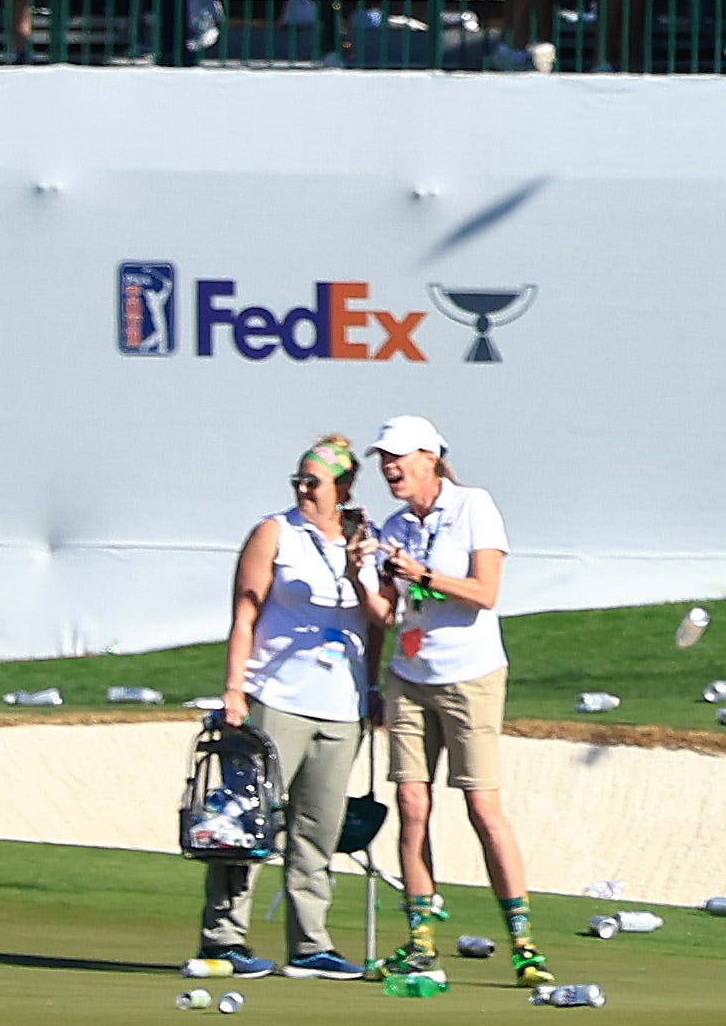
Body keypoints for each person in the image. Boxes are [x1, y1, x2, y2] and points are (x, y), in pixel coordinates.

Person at [198, 431, 386, 981]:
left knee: (317, 829)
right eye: (299, 481)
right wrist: (235, 688)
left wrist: (371, 686)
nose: (305, 490)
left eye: (315, 482)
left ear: (344, 487)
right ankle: (222, 937)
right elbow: (245, 613)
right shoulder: (276, 531)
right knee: (248, 819)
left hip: (341, 704)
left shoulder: (364, 540)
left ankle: (310, 944)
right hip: (277, 698)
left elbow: (374, 625)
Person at [367, 411, 540, 983]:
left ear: (428, 458)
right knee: (412, 805)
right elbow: (387, 614)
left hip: (471, 676)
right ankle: (420, 939)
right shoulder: (393, 527)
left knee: (482, 808)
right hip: (410, 675)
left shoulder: (474, 506)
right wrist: (360, 573)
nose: (390, 467)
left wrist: (424, 574)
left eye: (398, 457)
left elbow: (485, 593)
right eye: (384, 459)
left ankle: (524, 943)